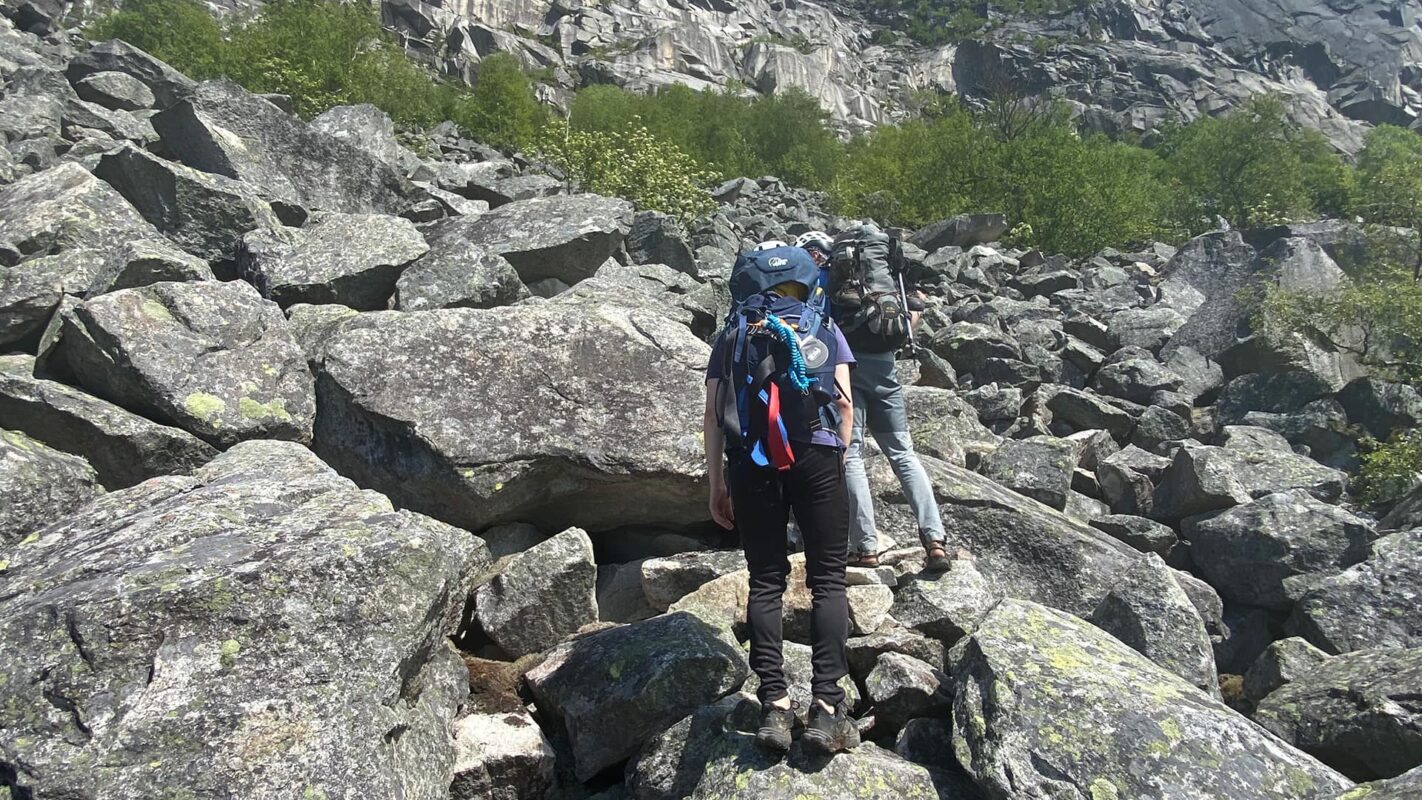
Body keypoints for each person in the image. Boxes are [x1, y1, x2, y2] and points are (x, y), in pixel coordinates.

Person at [703, 240, 861, 755]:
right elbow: (843, 406)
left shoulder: (732, 336)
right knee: (828, 579)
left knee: (766, 580)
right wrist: (834, 467)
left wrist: (716, 484)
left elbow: (713, 415)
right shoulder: (823, 327)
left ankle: (774, 706)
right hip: (815, 455)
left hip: (752, 460)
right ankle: (827, 708)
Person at [795, 229, 950, 572]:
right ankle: (935, 539)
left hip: (846, 366)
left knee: (853, 456)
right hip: (885, 367)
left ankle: (865, 547)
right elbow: (913, 316)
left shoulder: (829, 279)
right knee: (904, 454)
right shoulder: (888, 280)